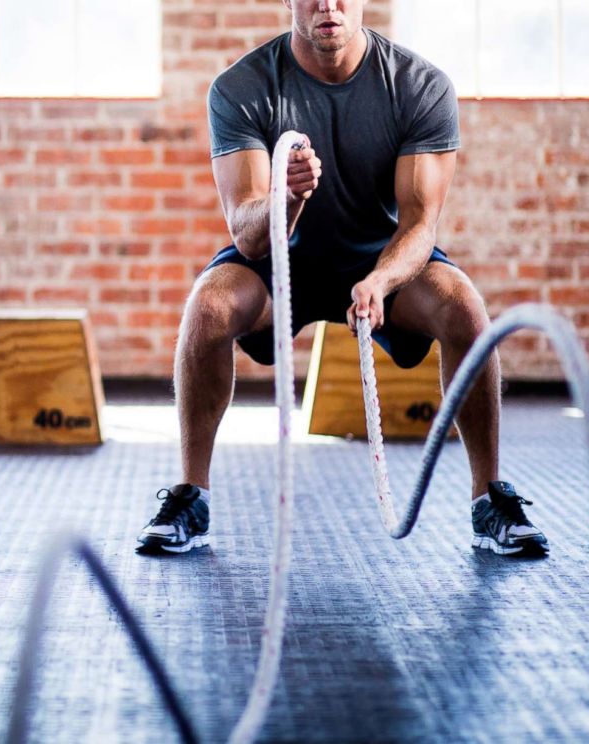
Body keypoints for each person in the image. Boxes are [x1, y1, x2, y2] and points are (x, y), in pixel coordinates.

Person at [137, 0, 548, 557]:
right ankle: (190, 493)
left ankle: (490, 498)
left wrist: (381, 280)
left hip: (378, 260)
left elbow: (421, 224)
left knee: (464, 309)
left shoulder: (420, 86)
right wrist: (288, 197)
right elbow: (250, 234)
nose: (328, 4)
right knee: (208, 308)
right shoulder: (242, 87)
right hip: (280, 261)